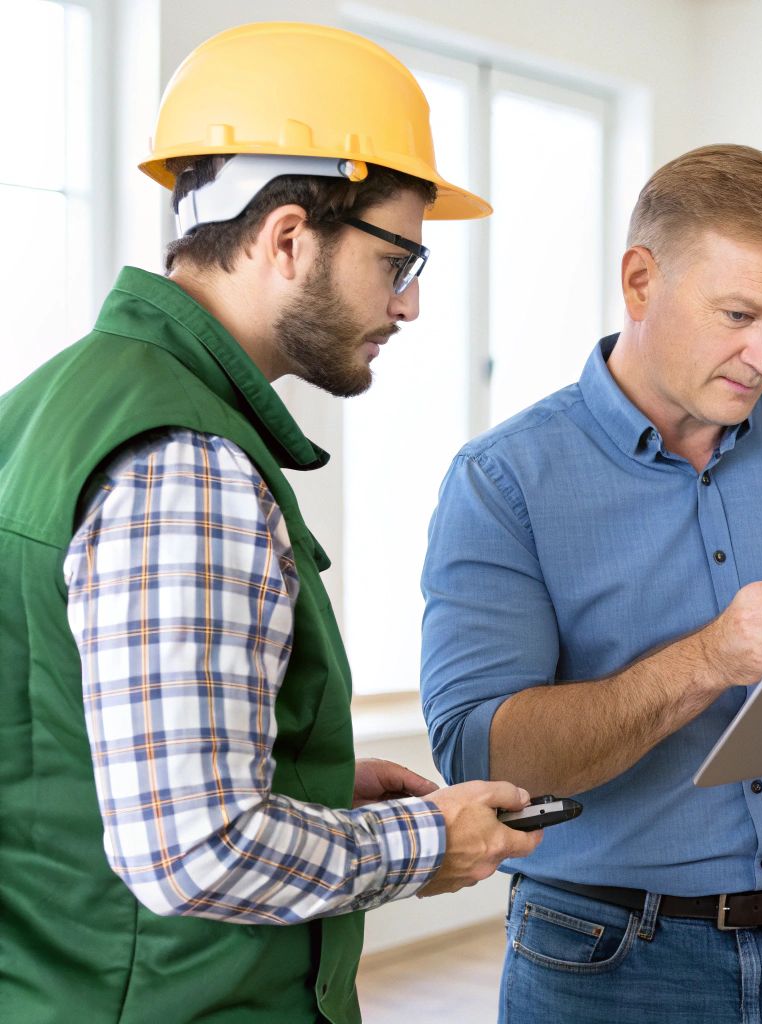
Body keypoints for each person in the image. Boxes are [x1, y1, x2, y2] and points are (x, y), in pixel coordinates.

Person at [0, 23, 540, 1024]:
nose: (412, 305)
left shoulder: (54, 405)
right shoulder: (184, 463)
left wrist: (312, 776)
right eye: (400, 259)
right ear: (288, 237)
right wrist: (434, 842)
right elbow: (194, 850)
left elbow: (77, 754)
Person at [419, 144, 762, 1022]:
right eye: (739, 314)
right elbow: (481, 758)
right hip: (603, 962)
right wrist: (709, 659)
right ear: (640, 282)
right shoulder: (507, 481)